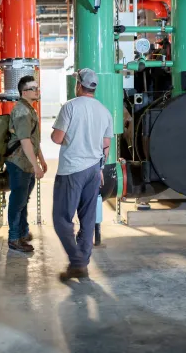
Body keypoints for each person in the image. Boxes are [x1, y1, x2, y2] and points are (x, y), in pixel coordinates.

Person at [51, 68, 113, 281]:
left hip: (71, 171)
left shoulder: (69, 107)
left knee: (61, 218)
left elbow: (57, 138)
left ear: (78, 85)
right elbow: (106, 145)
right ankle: (82, 262)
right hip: (94, 170)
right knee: (87, 219)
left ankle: (76, 262)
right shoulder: (105, 111)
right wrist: (101, 169)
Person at [5, 75, 47, 253]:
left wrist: (41, 160)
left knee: (23, 200)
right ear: (24, 92)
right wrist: (36, 165)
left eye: (37, 87)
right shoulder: (22, 111)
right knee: (17, 201)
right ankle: (14, 238)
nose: (37, 91)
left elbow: (33, 139)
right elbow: (24, 140)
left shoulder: (30, 109)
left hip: (26, 162)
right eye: (33, 88)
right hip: (20, 163)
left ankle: (22, 232)